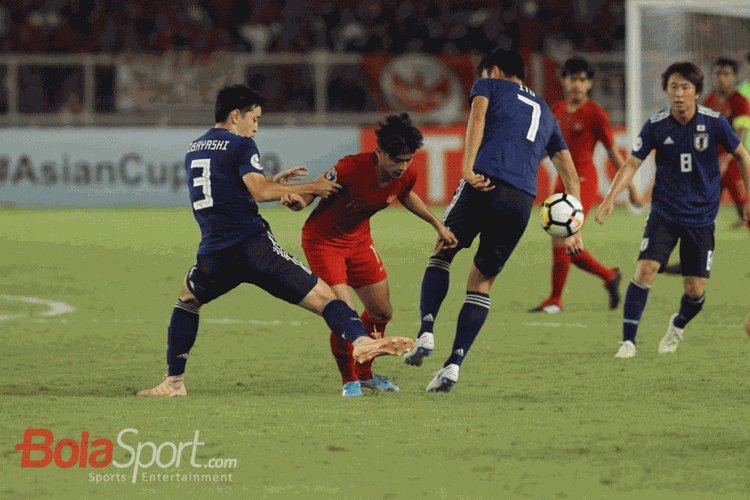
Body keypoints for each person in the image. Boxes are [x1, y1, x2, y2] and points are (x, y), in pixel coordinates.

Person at [138, 85, 414, 397]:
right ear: (235, 116)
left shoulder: (195, 148)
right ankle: (362, 341)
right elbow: (257, 192)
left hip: (215, 253)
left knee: (188, 300)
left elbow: (229, 188)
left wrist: (273, 182)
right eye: (254, 119)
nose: (256, 126)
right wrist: (314, 185)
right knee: (326, 299)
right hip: (254, 248)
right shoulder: (242, 144)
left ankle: (173, 382)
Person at [402, 49, 584, 392]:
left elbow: (478, 117)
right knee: (481, 280)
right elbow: (571, 179)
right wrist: (574, 228)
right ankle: (453, 365)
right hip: (521, 200)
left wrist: (467, 167)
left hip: (483, 182)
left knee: (443, 251)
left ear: (496, 70)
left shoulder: (490, 85)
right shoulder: (547, 112)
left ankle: (426, 330)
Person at [281, 114, 458, 397]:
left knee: (381, 312)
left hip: (360, 241)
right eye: (396, 160)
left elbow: (406, 193)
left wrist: (437, 224)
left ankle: (365, 375)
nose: (402, 167)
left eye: (408, 160)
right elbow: (319, 187)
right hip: (324, 242)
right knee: (346, 315)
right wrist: (298, 200)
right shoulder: (351, 167)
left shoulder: (407, 174)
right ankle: (348, 380)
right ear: (379, 152)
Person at [595, 62, 750, 358]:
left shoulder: (715, 122)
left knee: (695, 292)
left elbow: (743, 155)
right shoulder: (656, 124)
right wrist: (609, 197)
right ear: (666, 91)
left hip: (702, 218)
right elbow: (631, 163)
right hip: (664, 214)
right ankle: (628, 342)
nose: (679, 94)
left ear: (697, 92)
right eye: (673, 87)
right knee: (645, 270)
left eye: (685, 88)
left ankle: (677, 325)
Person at [529, 57, 644, 314]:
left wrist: (632, 188)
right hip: (560, 181)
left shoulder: (596, 114)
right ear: (563, 81)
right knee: (563, 242)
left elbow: (614, 154)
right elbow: (548, 148)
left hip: (584, 182)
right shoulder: (555, 110)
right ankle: (607, 275)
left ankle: (556, 300)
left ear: (590, 83)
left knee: (566, 240)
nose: (577, 84)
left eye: (582, 79)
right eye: (572, 79)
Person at [664, 57, 750, 275]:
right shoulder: (709, 100)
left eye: (726, 74)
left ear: (734, 77)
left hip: (733, 167)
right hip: (708, 167)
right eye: (717, 73)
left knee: (747, 212)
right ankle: (690, 262)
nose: (721, 78)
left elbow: (740, 132)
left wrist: (727, 159)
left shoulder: (740, 101)